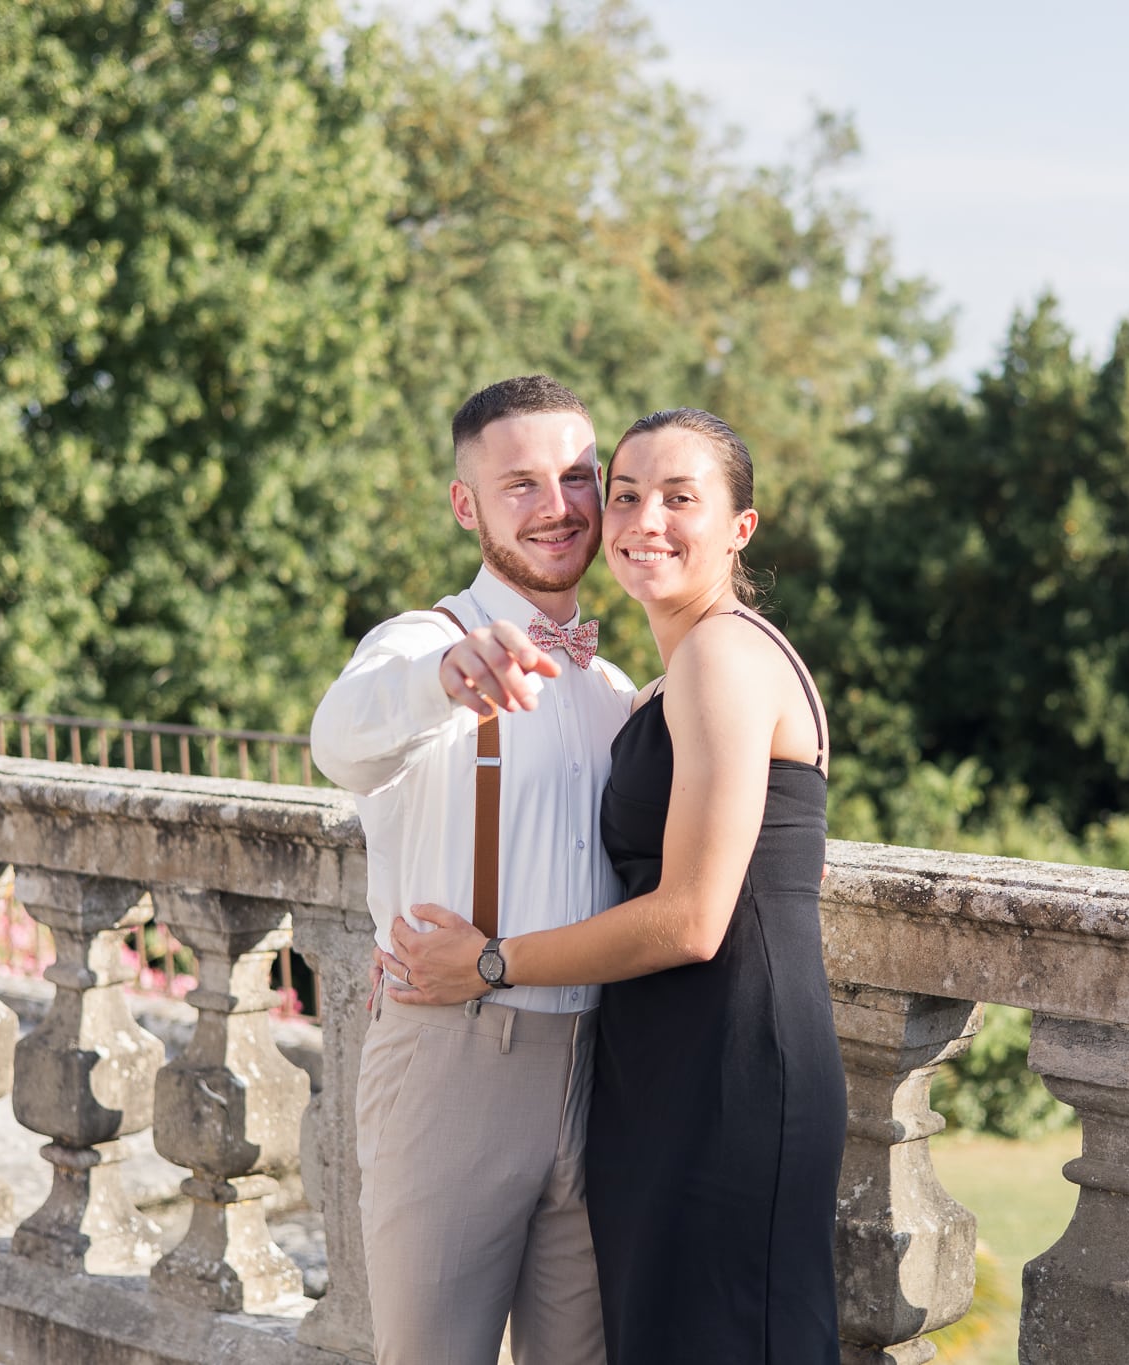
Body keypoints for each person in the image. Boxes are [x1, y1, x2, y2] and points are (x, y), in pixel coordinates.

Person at [390, 407, 847, 1364]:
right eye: (627, 492)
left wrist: (489, 960)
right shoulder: (652, 678)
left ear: (740, 528)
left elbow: (691, 919)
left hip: (728, 1065)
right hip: (665, 1065)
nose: (644, 520)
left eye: (681, 498)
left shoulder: (723, 654)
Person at [309, 375, 635, 1365]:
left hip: (602, 1072)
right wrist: (442, 679)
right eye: (519, 484)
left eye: (577, 477)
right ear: (467, 505)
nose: (556, 507)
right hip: (456, 1059)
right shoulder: (424, 644)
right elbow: (339, 738)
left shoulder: (616, 689)